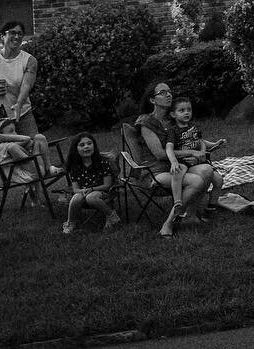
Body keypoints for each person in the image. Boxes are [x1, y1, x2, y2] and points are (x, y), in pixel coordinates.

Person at [0, 21, 58, 221]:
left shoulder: (29, 60)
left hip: (22, 113)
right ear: (2, 36)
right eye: (12, 33)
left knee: (33, 147)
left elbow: (26, 86)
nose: (17, 37)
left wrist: (19, 104)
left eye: (21, 34)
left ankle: (36, 199)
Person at [134, 81, 206, 238]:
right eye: (162, 92)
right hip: (154, 172)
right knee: (197, 181)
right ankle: (168, 223)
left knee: (207, 171)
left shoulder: (172, 119)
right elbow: (160, 154)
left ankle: (190, 216)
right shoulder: (146, 122)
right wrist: (191, 152)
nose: (168, 95)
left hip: (177, 167)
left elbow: (189, 139)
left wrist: (197, 152)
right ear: (152, 100)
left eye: (169, 91)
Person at [171, 95, 224, 221]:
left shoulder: (193, 127)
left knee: (219, 181)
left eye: (189, 110)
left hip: (201, 161)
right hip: (187, 162)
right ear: (173, 114)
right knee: (199, 177)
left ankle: (211, 208)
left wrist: (211, 147)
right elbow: (170, 149)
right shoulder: (173, 131)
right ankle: (180, 207)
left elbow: (200, 141)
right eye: (182, 110)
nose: (186, 113)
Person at [62, 132, 120, 234]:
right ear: (76, 149)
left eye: (89, 143)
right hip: (84, 192)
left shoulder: (103, 162)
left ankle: (111, 216)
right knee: (76, 197)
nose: (86, 147)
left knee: (91, 197)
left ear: (94, 145)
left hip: (103, 192)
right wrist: (83, 190)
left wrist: (92, 189)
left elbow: (107, 185)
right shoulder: (75, 166)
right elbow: (75, 189)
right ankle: (70, 222)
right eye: (82, 145)